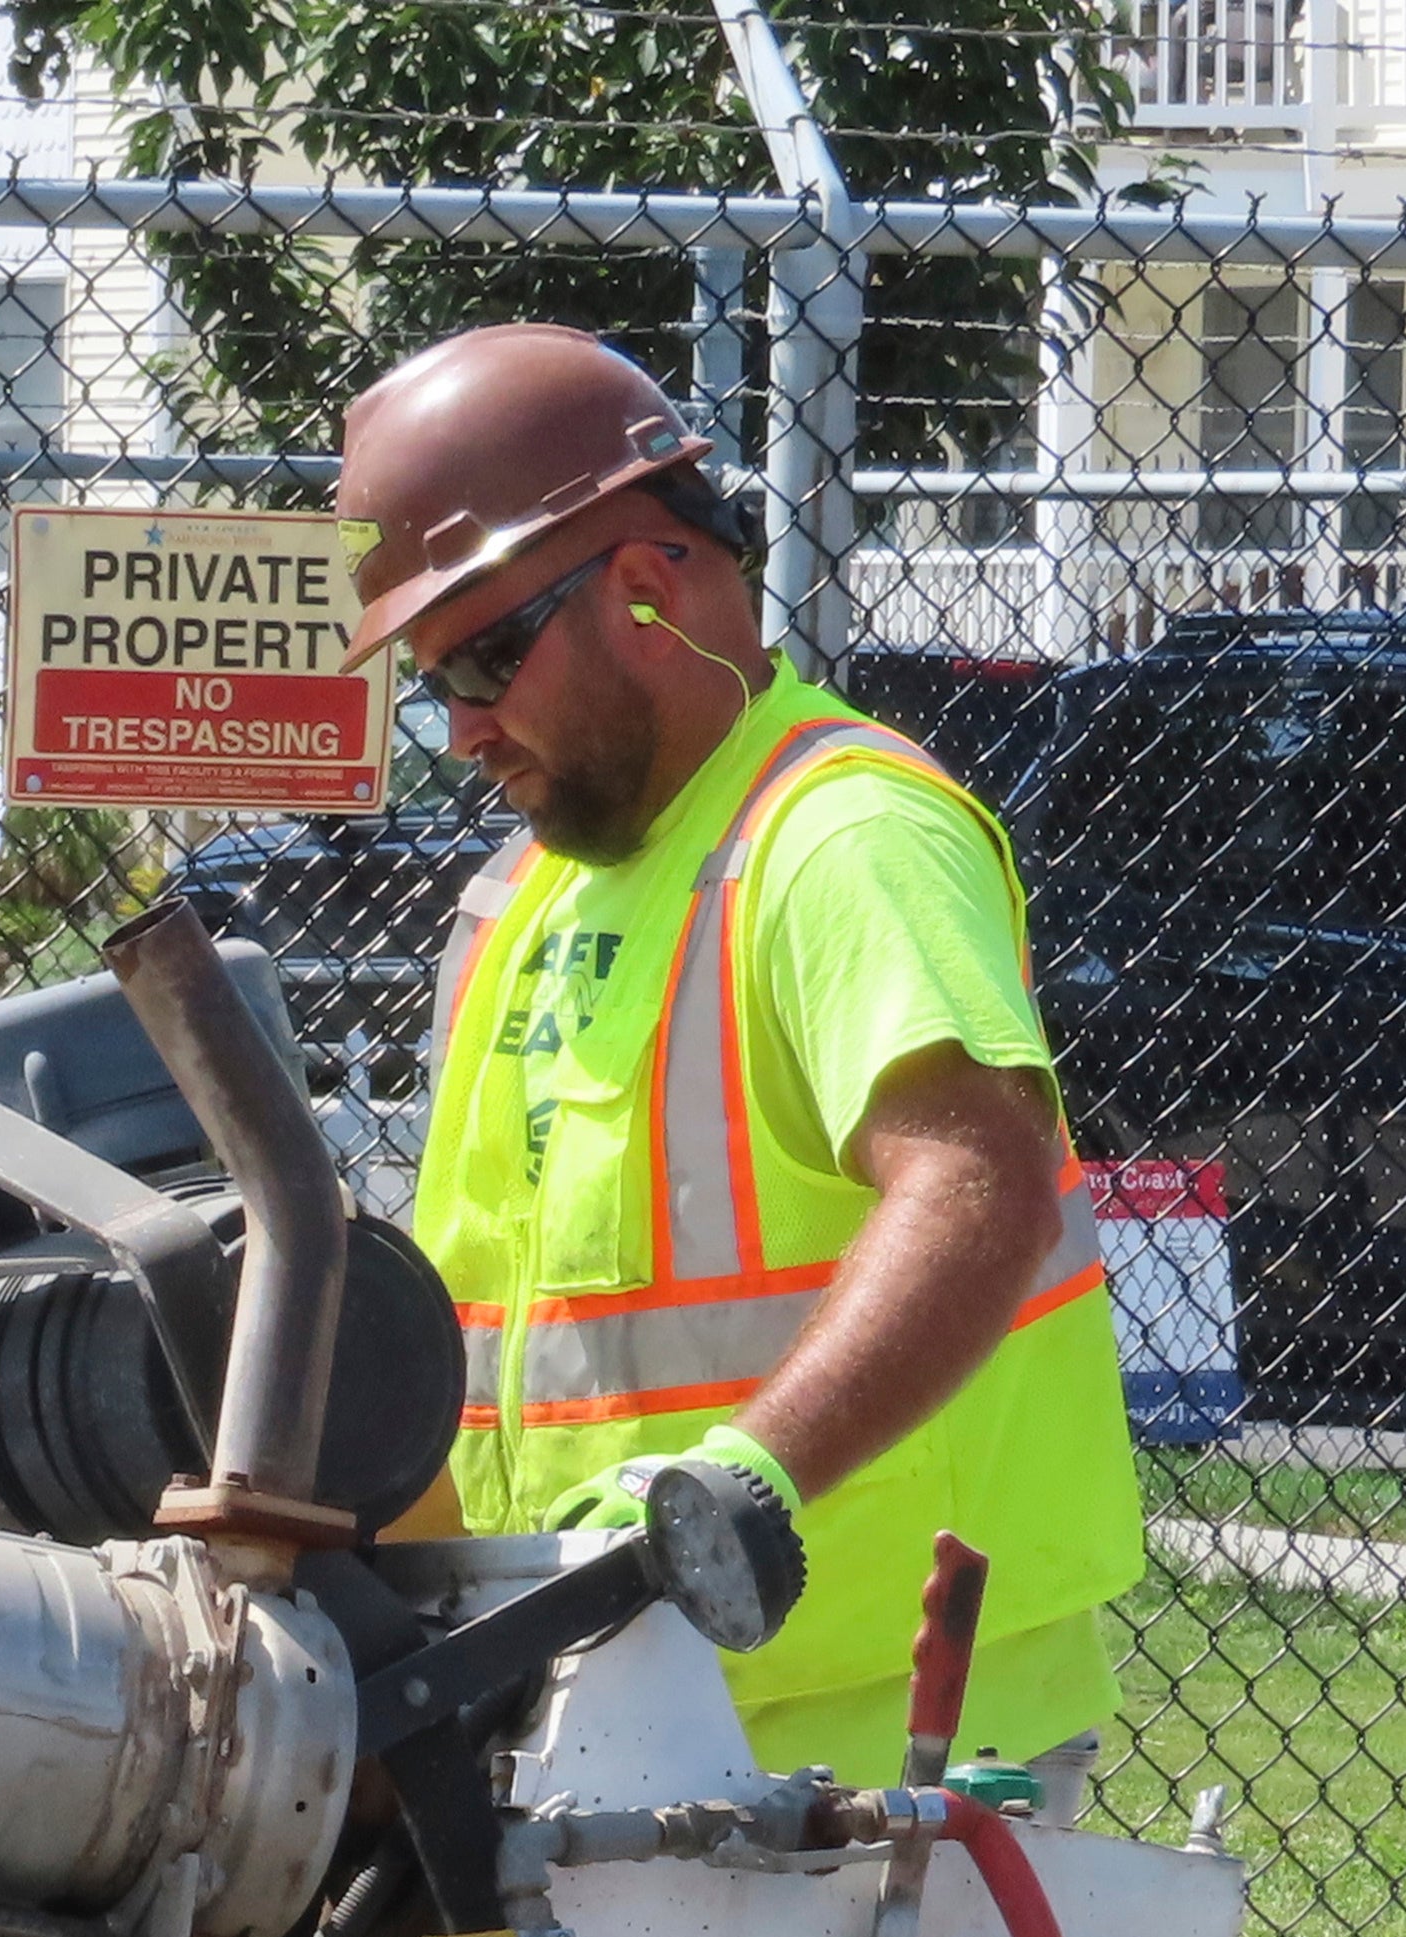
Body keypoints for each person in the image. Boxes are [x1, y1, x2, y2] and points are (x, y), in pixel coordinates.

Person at [334, 324, 1142, 1809]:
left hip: (892, 1741)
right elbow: (472, 1320)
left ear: (652, 583)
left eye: (493, 655)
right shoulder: (522, 898)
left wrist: (739, 1484)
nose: (461, 728)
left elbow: (983, 1182)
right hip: (604, 1706)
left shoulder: (842, 835)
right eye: (433, 680)